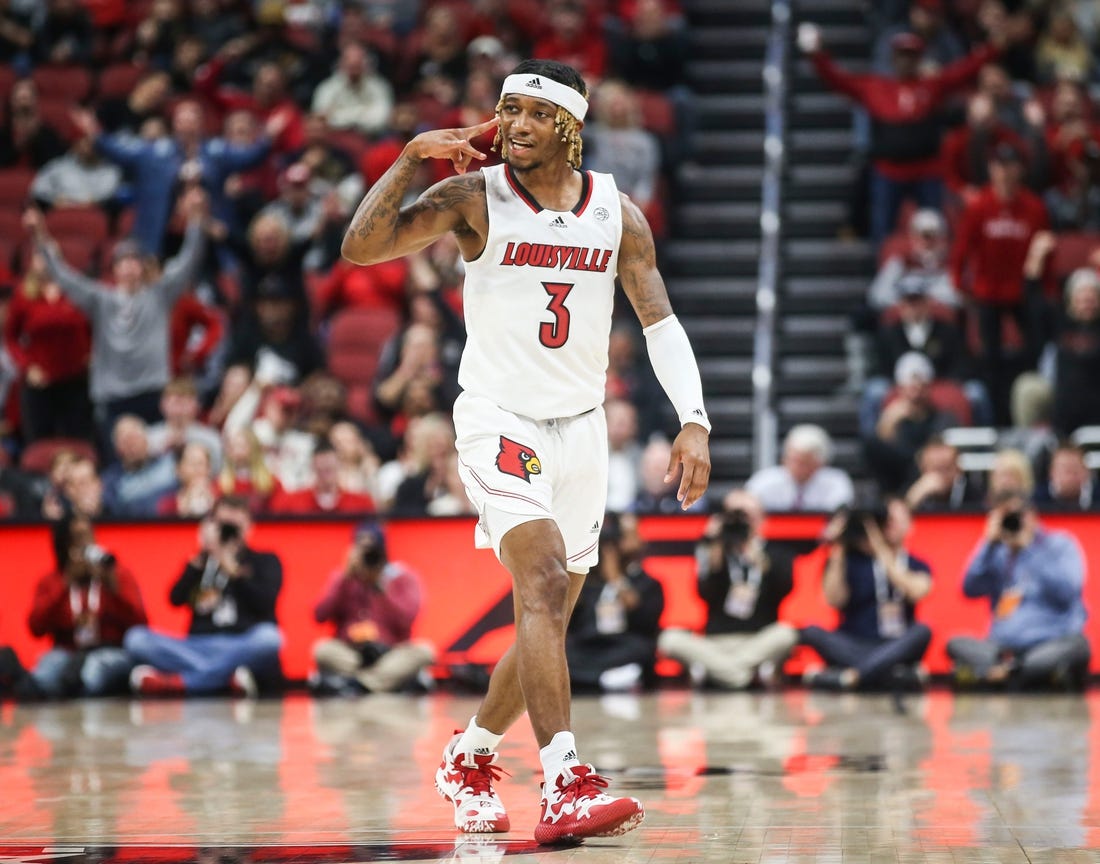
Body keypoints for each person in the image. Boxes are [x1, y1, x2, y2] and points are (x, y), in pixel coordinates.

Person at [340, 59, 711, 843]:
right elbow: (361, 250)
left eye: (530, 114)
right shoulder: (475, 197)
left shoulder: (617, 212)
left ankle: (471, 754)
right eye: (504, 111)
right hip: (499, 418)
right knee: (541, 581)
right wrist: (411, 158)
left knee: (550, 612)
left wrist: (694, 420)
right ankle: (566, 780)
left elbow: (660, 323)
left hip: (580, 428)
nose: (510, 125)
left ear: (567, 128)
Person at [25, 192, 207, 448]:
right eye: (123, 262)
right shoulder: (101, 299)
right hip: (113, 398)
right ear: (114, 269)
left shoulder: (160, 294)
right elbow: (64, 277)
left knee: (158, 455)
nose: (130, 267)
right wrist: (40, 235)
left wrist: (196, 219)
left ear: (142, 267)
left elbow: (189, 261)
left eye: (135, 261)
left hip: (153, 393)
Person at [124, 496, 284, 697]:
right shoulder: (202, 562)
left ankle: (182, 682)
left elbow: (265, 602)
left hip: (241, 643)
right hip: (197, 645)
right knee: (136, 639)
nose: (228, 533)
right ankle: (224, 676)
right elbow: (175, 598)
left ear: (249, 527)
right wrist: (201, 557)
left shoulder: (265, 561)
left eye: (234, 527)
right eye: (222, 526)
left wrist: (233, 570)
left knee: (270, 638)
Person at [946, 492, 1090, 688]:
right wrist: (988, 544)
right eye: (1006, 516)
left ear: (1032, 515)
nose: (1013, 521)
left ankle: (1007, 672)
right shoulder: (998, 552)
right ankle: (1018, 671)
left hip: (1049, 643)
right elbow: (969, 589)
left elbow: (1067, 592)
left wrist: (1030, 549)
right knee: (955, 644)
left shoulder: (1059, 545)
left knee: (1078, 646)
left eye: (1017, 515)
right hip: (1001, 648)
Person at [658, 489, 798, 690]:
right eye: (734, 515)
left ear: (762, 519)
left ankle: (718, 673)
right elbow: (703, 592)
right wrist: (712, 545)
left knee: (787, 633)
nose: (741, 522)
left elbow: (785, 589)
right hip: (715, 643)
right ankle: (743, 675)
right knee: (669, 638)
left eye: (747, 516)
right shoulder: (714, 551)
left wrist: (760, 562)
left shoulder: (777, 554)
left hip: (759, 641)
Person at [801, 499, 933, 691]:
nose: (889, 526)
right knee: (810, 631)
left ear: (910, 525)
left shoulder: (916, 564)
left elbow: (917, 591)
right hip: (854, 643)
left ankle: (850, 677)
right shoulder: (850, 561)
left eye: (895, 521)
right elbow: (834, 600)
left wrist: (880, 548)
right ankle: (890, 674)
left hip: (896, 643)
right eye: (887, 520)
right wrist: (839, 546)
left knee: (922, 631)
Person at [23, 513, 146, 699]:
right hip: (67, 651)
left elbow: (140, 622)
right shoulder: (53, 581)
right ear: (65, 545)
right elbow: (36, 627)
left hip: (110, 650)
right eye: (77, 538)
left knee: (91, 673)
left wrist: (111, 584)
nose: (84, 543)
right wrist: (65, 583)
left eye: (88, 535)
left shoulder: (116, 574)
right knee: (44, 676)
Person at [310, 522, 436, 696]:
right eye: (362, 550)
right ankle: (382, 683)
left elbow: (407, 620)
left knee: (425, 651)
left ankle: (355, 684)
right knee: (321, 650)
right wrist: (345, 578)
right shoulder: (343, 578)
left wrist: (381, 588)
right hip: (352, 654)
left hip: (390, 654)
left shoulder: (402, 577)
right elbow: (319, 615)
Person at [565, 512, 665, 692]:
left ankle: (588, 677)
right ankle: (603, 678)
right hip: (590, 644)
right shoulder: (590, 579)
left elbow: (644, 622)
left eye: (627, 535)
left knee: (642, 650)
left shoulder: (648, 583)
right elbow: (572, 621)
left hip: (623, 643)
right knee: (560, 651)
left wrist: (615, 576)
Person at [746, 424, 854, 512]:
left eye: (802, 463)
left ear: (819, 464)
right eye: (791, 459)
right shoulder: (765, 480)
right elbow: (745, 506)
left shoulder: (837, 482)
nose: (794, 466)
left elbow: (840, 518)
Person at [1034, 445, 1097, 510]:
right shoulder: (1036, 499)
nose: (1070, 476)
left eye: (1075, 469)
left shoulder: (1097, 496)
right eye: (1065, 469)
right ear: (1052, 473)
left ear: (1086, 472)